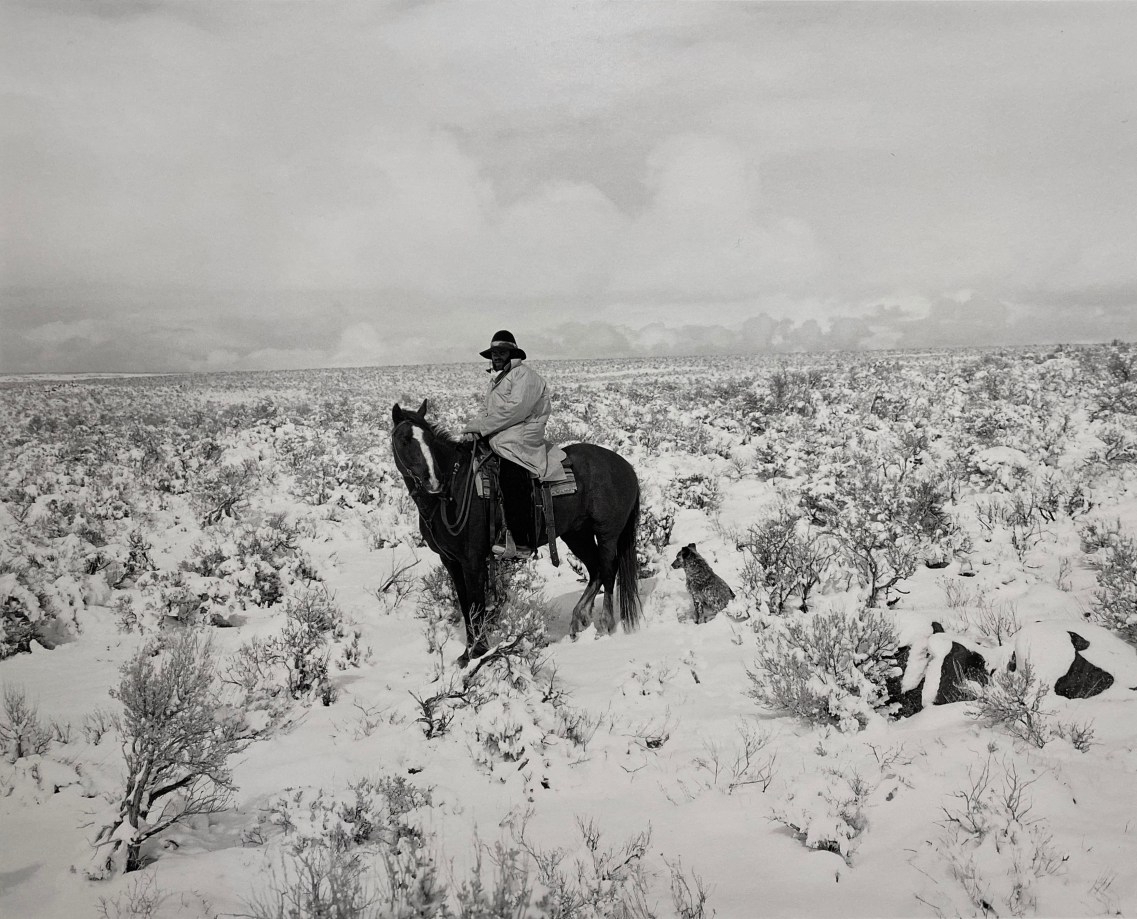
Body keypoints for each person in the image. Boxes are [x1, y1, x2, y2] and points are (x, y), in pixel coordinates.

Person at [460, 330, 568, 556]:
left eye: (501, 352)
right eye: (494, 353)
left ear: (513, 353)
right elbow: (486, 411)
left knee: (511, 474)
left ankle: (522, 541)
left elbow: (515, 411)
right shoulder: (497, 381)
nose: (496, 356)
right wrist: (473, 428)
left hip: (520, 435)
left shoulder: (524, 376)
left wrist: (482, 428)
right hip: (502, 434)